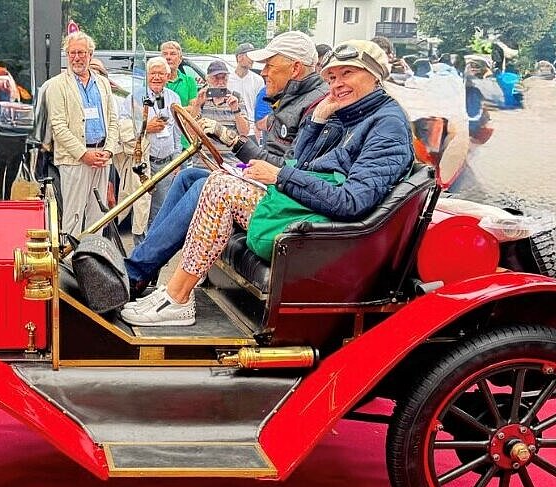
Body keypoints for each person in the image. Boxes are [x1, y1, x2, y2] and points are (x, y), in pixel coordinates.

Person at [121, 40, 414, 326]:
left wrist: (278, 176)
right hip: (309, 206)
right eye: (333, 76)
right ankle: (148, 276)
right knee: (199, 178)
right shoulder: (348, 113)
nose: (337, 84)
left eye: (348, 73)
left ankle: (177, 296)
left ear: (375, 76)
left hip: (329, 227)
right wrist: (317, 122)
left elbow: (351, 201)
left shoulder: (385, 123)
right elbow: (300, 161)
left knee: (218, 187)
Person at [125, 31, 328, 294]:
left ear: (296, 68)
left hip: (285, 198)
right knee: (188, 177)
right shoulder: (295, 98)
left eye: (269, 65)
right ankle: (143, 269)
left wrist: (234, 141)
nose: (263, 72)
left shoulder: (313, 106)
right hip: (272, 185)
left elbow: (287, 169)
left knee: (205, 187)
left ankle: (136, 273)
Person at [43, 31, 120, 237]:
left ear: (91, 55)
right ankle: (69, 264)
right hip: (75, 161)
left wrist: (109, 150)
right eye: (72, 53)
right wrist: (84, 154)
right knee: (73, 216)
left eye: (81, 53)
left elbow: (113, 120)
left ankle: (92, 264)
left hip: (102, 157)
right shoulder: (57, 85)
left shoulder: (103, 83)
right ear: (67, 55)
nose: (77, 57)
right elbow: (58, 127)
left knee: (98, 216)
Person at [119, 56, 181, 245]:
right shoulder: (135, 97)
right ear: (146, 75)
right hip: (144, 163)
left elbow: (178, 131)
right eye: (152, 73)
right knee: (141, 207)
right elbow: (122, 126)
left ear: (167, 76)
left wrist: (177, 159)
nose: (156, 77)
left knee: (160, 209)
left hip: (166, 163)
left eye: (160, 73)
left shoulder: (173, 98)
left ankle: (155, 248)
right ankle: (140, 247)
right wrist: (145, 127)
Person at [186, 60, 250, 166]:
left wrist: (235, 110)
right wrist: (197, 105)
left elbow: (244, 132)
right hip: (204, 163)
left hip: (229, 163)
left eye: (224, 78)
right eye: (216, 78)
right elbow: (190, 131)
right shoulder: (202, 99)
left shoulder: (236, 98)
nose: (221, 82)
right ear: (208, 79)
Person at [228, 42, 265, 139]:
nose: (253, 59)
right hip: (231, 129)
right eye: (250, 56)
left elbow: (260, 106)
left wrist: (258, 127)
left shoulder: (258, 80)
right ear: (240, 57)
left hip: (252, 130)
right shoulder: (227, 80)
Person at [160, 40, 198, 107]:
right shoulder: (153, 81)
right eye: (165, 54)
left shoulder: (189, 81)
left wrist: (176, 111)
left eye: (173, 54)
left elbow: (193, 108)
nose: (168, 57)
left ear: (180, 59)